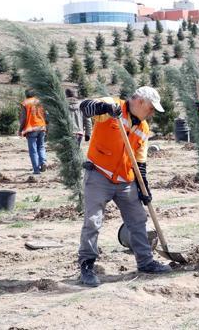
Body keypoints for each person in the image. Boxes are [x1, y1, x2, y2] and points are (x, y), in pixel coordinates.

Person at [77, 86, 172, 287]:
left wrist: (143, 188)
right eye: (151, 108)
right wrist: (105, 108)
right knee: (93, 221)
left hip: (125, 180)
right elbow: (84, 107)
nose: (152, 112)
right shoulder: (112, 107)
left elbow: (140, 162)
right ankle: (87, 266)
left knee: (138, 219)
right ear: (139, 101)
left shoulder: (143, 128)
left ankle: (145, 262)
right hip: (99, 174)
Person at [19, 89, 47, 174]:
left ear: (26, 94)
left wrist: (21, 129)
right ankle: (43, 162)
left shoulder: (25, 103)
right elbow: (45, 114)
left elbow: (23, 118)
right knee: (41, 147)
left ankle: (36, 170)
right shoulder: (40, 102)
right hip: (42, 127)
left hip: (31, 128)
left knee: (33, 150)